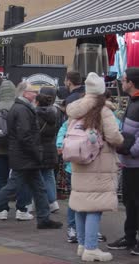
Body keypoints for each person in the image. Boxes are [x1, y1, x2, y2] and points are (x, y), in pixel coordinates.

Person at [0, 82, 63, 231]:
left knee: (39, 188)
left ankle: (44, 218)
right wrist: (36, 153)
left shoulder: (21, 108)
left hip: (24, 156)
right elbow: (25, 135)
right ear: (25, 93)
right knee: (13, 187)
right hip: (25, 156)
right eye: (33, 91)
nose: (36, 94)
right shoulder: (22, 109)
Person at [66, 72, 123, 262]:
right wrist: (122, 140)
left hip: (79, 164)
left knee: (82, 205)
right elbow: (114, 137)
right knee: (94, 207)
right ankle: (91, 248)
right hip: (98, 165)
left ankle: (83, 245)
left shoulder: (76, 110)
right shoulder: (103, 111)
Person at [0, 80, 32, 220]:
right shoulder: (20, 107)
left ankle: (2, 209)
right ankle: (22, 209)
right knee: (21, 179)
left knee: (0, 179)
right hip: (18, 150)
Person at [108, 67, 139, 256]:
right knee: (130, 202)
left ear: (131, 82)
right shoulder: (133, 101)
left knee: (136, 202)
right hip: (129, 163)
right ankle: (129, 237)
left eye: (123, 79)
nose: (121, 81)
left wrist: (130, 151)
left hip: (135, 162)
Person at [36, 87, 60, 213]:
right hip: (51, 146)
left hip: (38, 148)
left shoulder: (34, 113)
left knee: (37, 175)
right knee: (49, 175)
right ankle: (53, 202)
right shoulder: (57, 112)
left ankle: (38, 202)